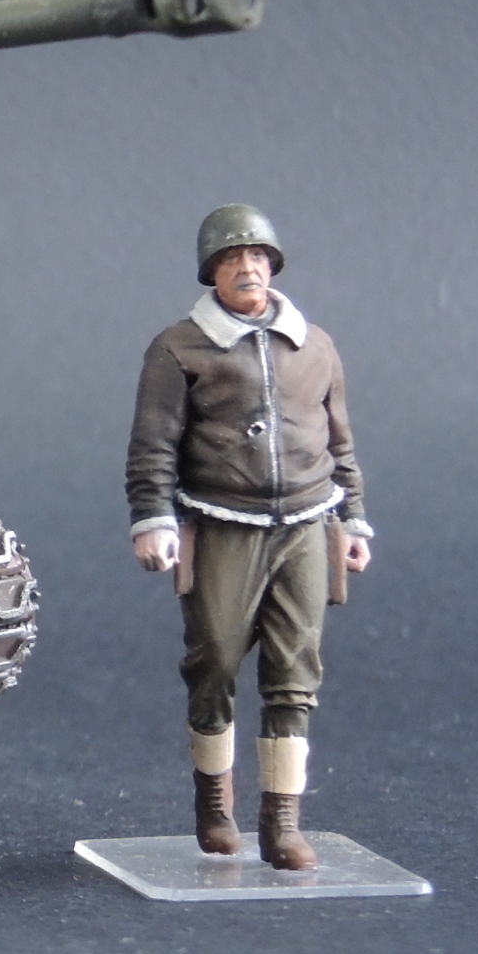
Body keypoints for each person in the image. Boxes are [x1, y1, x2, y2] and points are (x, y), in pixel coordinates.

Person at [125, 206, 373, 869]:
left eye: (258, 257)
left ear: (273, 266)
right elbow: (153, 445)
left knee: (296, 670)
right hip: (220, 524)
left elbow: (340, 442)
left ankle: (282, 821)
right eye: (232, 258)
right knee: (214, 659)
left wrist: (353, 519)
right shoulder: (178, 348)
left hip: (306, 526)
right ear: (211, 272)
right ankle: (215, 801)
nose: (247, 268)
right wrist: (152, 518)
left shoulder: (315, 346)